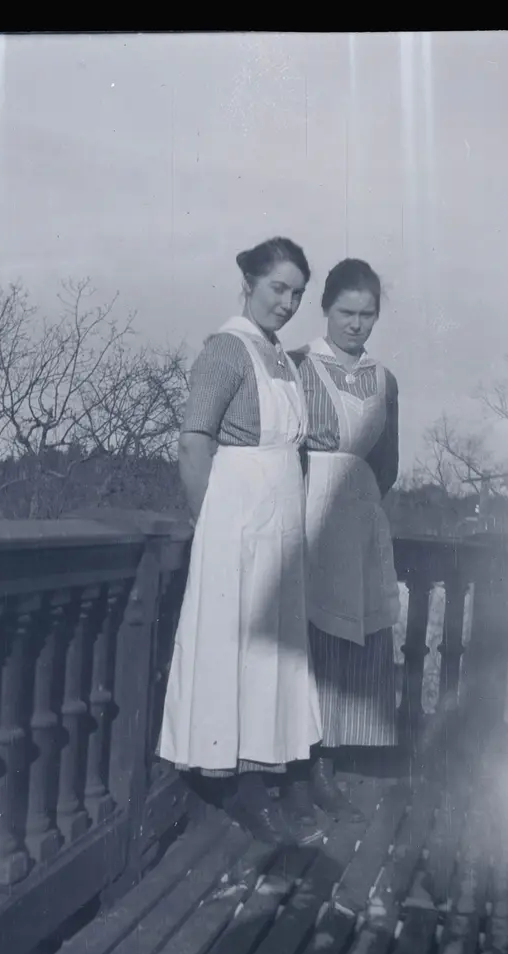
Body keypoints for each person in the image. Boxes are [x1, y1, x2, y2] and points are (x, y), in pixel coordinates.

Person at [157, 237, 324, 847]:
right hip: (237, 525)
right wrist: (213, 528)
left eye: (297, 294)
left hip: (279, 524)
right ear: (249, 283)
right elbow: (193, 442)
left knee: (275, 649)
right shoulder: (226, 350)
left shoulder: (280, 356)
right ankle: (238, 785)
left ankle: (279, 766)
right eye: (278, 288)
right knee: (237, 649)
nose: (288, 303)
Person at [286, 259, 401, 815]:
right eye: (346, 312)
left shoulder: (384, 379)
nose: (356, 324)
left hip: (358, 515)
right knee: (309, 633)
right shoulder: (296, 366)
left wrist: (359, 501)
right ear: (326, 308)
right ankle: (305, 760)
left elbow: (388, 461)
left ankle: (335, 754)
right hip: (306, 510)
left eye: (367, 314)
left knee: (353, 634)